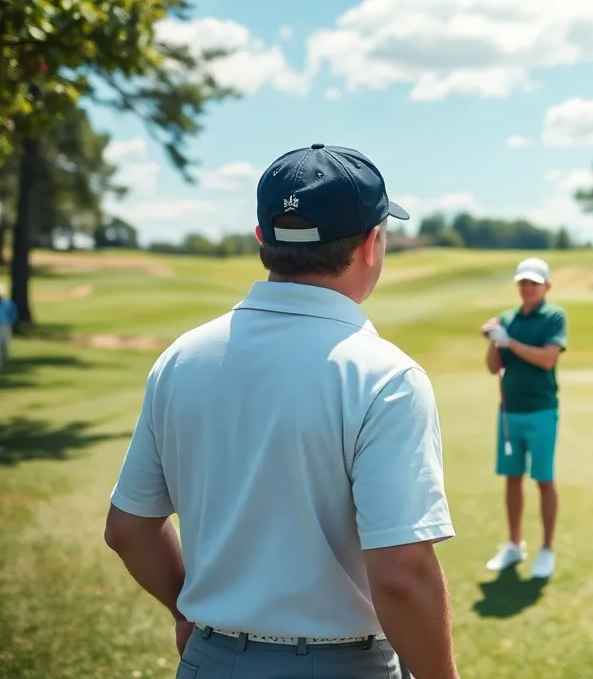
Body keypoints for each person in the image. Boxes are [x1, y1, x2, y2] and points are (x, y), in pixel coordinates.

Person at [103, 143, 459, 679]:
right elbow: (402, 575)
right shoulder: (386, 376)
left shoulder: (182, 358)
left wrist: (188, 611)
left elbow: (129, 528)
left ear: (262, 240)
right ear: (370, 244)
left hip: (208, 662)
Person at [481, 256, 568, 580]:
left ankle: (546, 549)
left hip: (541, 411)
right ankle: (515, 544)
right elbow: (493, 367)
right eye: (523, 283)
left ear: (546, 286)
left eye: (534, 283)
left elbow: (547, 359)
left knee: (544, 480)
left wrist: (509, 341)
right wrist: (494, 341)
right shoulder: (507, 318)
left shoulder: (554, 317)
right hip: (508, 413)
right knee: (512, 478)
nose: (528, 288)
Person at [0, 282, 18, 373]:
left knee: (4, 347)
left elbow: (13, 314)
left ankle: (5, 366)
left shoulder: (8, 304)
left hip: (5, 327)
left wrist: (10, 323)